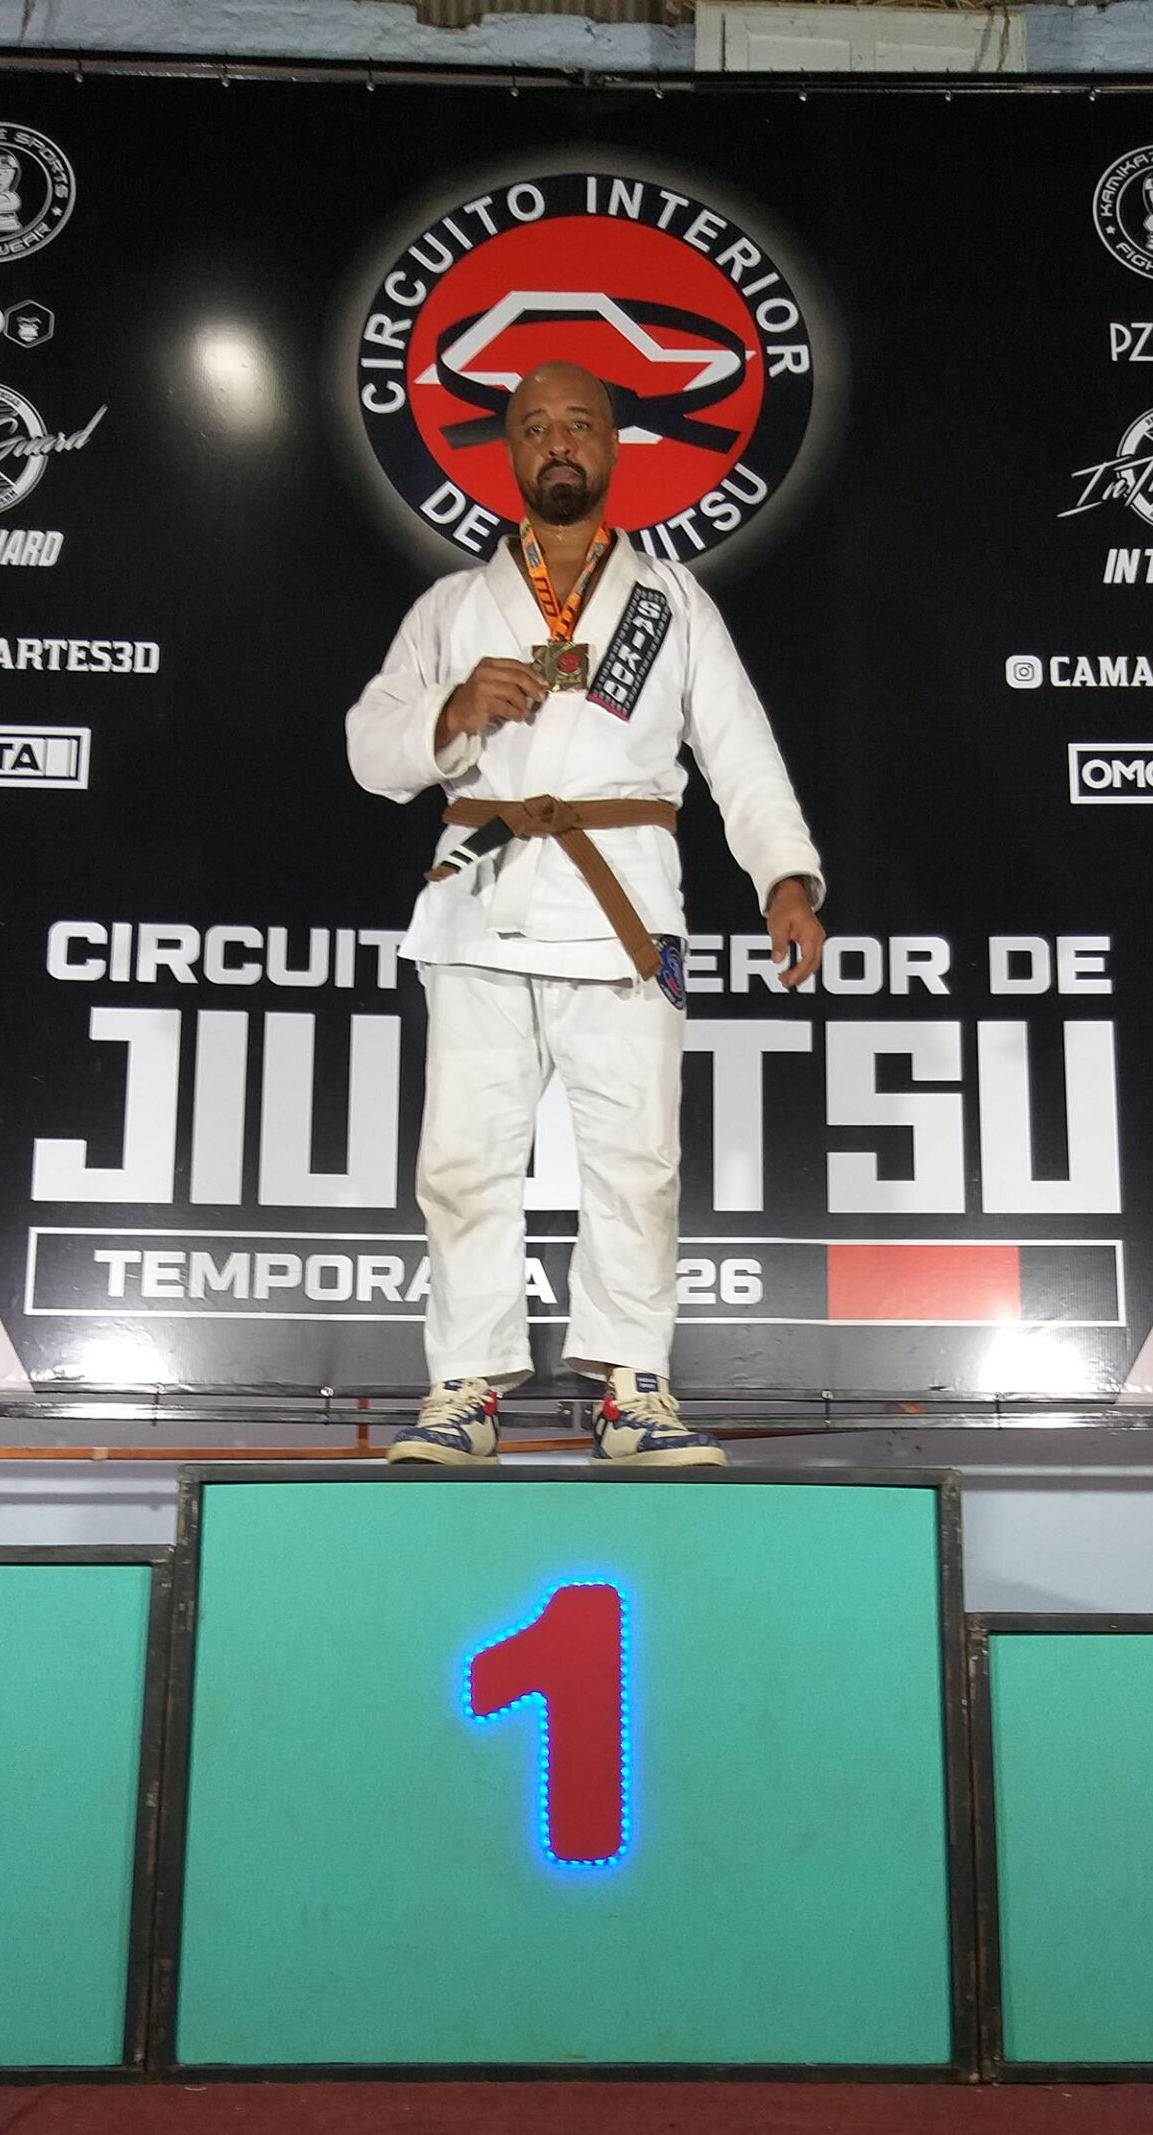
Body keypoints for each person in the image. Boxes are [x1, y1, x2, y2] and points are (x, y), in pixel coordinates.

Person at [345, 361, 825, 1467]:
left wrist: (785, 877)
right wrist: (453, 711)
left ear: (614, 444)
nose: (558, 442)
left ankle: (631, 1388)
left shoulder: (674, 602)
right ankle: (464, 1388)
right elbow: (372, 751)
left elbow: (742, 752)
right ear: (508, 452)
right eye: (534, 427)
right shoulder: (452, 608)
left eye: (579, 424)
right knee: (463, 1159)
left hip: (625, 915)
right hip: (481, 906)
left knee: (637, 1161)